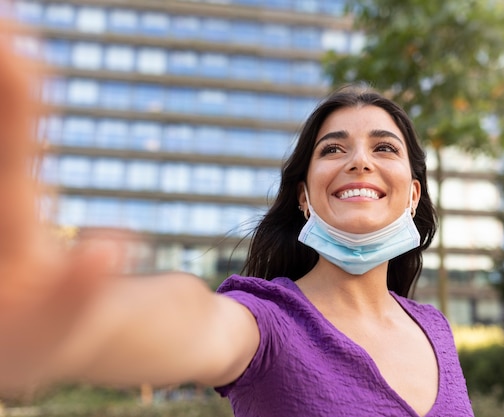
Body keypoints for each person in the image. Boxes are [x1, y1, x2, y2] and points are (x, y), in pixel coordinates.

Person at [0, 18, 474, 417]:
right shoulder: (267, 319)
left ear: (413, 195)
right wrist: (84, 323)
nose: (359, 161)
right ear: (305, 198)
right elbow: (193, 322)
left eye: (384, 147)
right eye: (333, 149)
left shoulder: (435, 328)